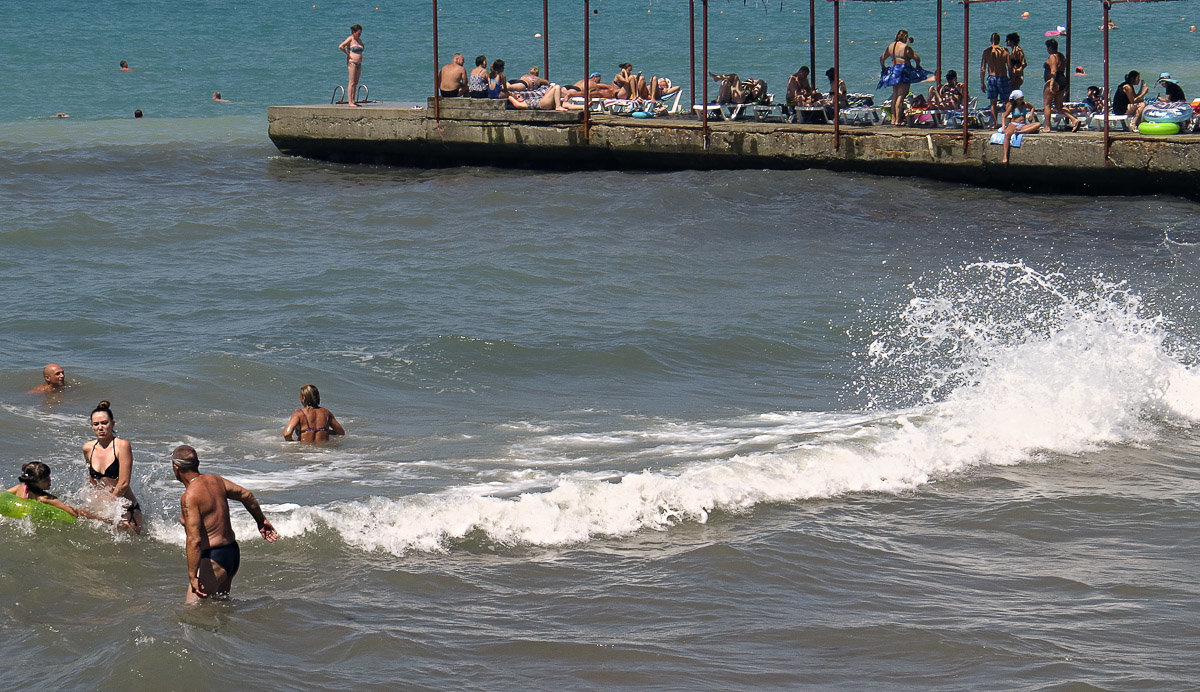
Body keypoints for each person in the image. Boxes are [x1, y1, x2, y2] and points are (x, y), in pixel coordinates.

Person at [171, 445, 278, 604]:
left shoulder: (190, 497)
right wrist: (261, 521)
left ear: (176, 467)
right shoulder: (216, 480)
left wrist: (193, 576)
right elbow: (246, 495)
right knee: (220, 609)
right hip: (232, 553)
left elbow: (194, 540)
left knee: (192, 613)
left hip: (214, 558)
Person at [82, 401, 142, 532]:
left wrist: (108, 505)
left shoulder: (122, 446)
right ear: (91, 426)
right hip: (105, 506)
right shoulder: (88, 448)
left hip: (125, 507)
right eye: (96, 424)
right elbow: (92, 479)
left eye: (104, 423)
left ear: (112, 424)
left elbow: (124, 483)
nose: (100, 427)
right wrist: (94, 503)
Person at [6, 462, 107, 521]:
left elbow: (5, 493)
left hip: (20, 518)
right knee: (78, 509)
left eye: (49, 476)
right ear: (34, 482)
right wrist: (98, 518)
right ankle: (102, 519)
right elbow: (74, 514)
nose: (50, 480)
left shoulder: (21, 488)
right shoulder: (46, 499)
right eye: (45, 479)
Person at [878, 29, 932, 125]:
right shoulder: (905, 47)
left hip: (893, 70)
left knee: (895, 94)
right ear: (905, 37)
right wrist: (918, 66)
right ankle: (898, 120)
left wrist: (883, 67)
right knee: (901, 95)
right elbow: (917, 58)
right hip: (903, 70)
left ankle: (893, 119)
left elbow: (882, 58)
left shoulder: (891, 46)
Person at [1042, 38, 1080, 131]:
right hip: (1062, 80)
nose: (1047, 49)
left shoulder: (1052, 56)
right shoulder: (1061, 56)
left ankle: (1047, 127)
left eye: (1047, 47)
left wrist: (1051, 83)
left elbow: (1054, 70)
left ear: (1050, 47)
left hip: (1054, 80)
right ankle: (1074, 120)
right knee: (1059, 106)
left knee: (1047, 104)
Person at [1000, 89, 1039, 164]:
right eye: (1020, 99)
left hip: (1023, 125)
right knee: (1007, 135)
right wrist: (1003, 126)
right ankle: (1005, 156)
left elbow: (1032, 108)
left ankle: (1020, 132)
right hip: (1014, 124)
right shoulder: (1012, 106)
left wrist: (1031, 115)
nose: (1022, 100)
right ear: (1016, 100)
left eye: (1022, 98)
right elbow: (1004, 116)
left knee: (1038, 124)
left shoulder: (1025, 104)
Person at [980, 32, 1012, 125]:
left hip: (992, 78)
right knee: (1007, 101)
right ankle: (1006, 122)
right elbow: (1009, 67)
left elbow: (982, 69)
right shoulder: (1005, 51)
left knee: (993, 102)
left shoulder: (986, 52)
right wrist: (1012, 78)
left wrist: (982, 82)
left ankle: (995, 123)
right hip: (1003, 77)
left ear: (991, 40)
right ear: (999, 40)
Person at [338, 24, 364, 107]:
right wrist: (348, 54)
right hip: (352, 62)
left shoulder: (359, 40)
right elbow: (341, 46)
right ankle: (350, 102)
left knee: (356, 82)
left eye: (360, 33)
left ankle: (353, 100)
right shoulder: (350, 39)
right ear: (354, 32)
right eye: (358, 33)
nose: (359, 34)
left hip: (359, 63)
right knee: (352, 82)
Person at [507, 84, 584, 111]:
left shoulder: (526, 100)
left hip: (544, 101)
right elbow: (518, 105)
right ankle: (558, 107)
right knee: (557, 87)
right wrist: (511, 97)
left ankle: (583, 106)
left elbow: (545, 95)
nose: (521, 97)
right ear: (516, 99)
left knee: (565, 104)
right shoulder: (523, 104)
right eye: (519, 97)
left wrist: (549, 89)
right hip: (542, 104)